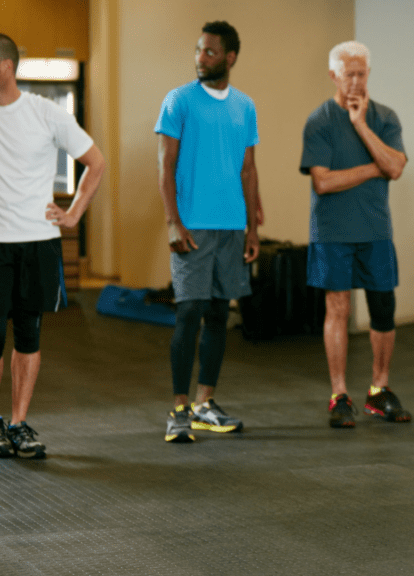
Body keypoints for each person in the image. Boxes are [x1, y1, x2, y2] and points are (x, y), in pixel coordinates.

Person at [0, 33, 106, 458]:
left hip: (38, 242)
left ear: (6, 67)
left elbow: (95, 162)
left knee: (29, 334)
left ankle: (18, 422)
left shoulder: (46, 114)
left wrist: (73, 215)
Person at [156, 21, 261, 443]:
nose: (201, 58)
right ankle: (179, 408)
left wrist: (253, 228)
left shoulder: (245, 106)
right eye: (198, 51)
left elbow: (249, 169)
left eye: (210, 52)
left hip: (232, 225)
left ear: (230, 58)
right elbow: (165, 165)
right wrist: (172, 221)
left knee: (219, 314)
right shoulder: (179, 100)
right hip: (193, 225)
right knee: (189, 313)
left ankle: (204, 403)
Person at [300, 41, 410, 428]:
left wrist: (361, 125)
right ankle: (339, 393)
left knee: (383, 309)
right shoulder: (319, 121)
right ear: (334, 75)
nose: (357, 81)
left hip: (376, 229)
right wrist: (373, 167)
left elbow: (396, 167)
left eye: (362, 73)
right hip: (332, 232)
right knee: (338, 309)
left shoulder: (385, 117)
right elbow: (324, 182)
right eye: (350, 74)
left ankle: (379, 390)